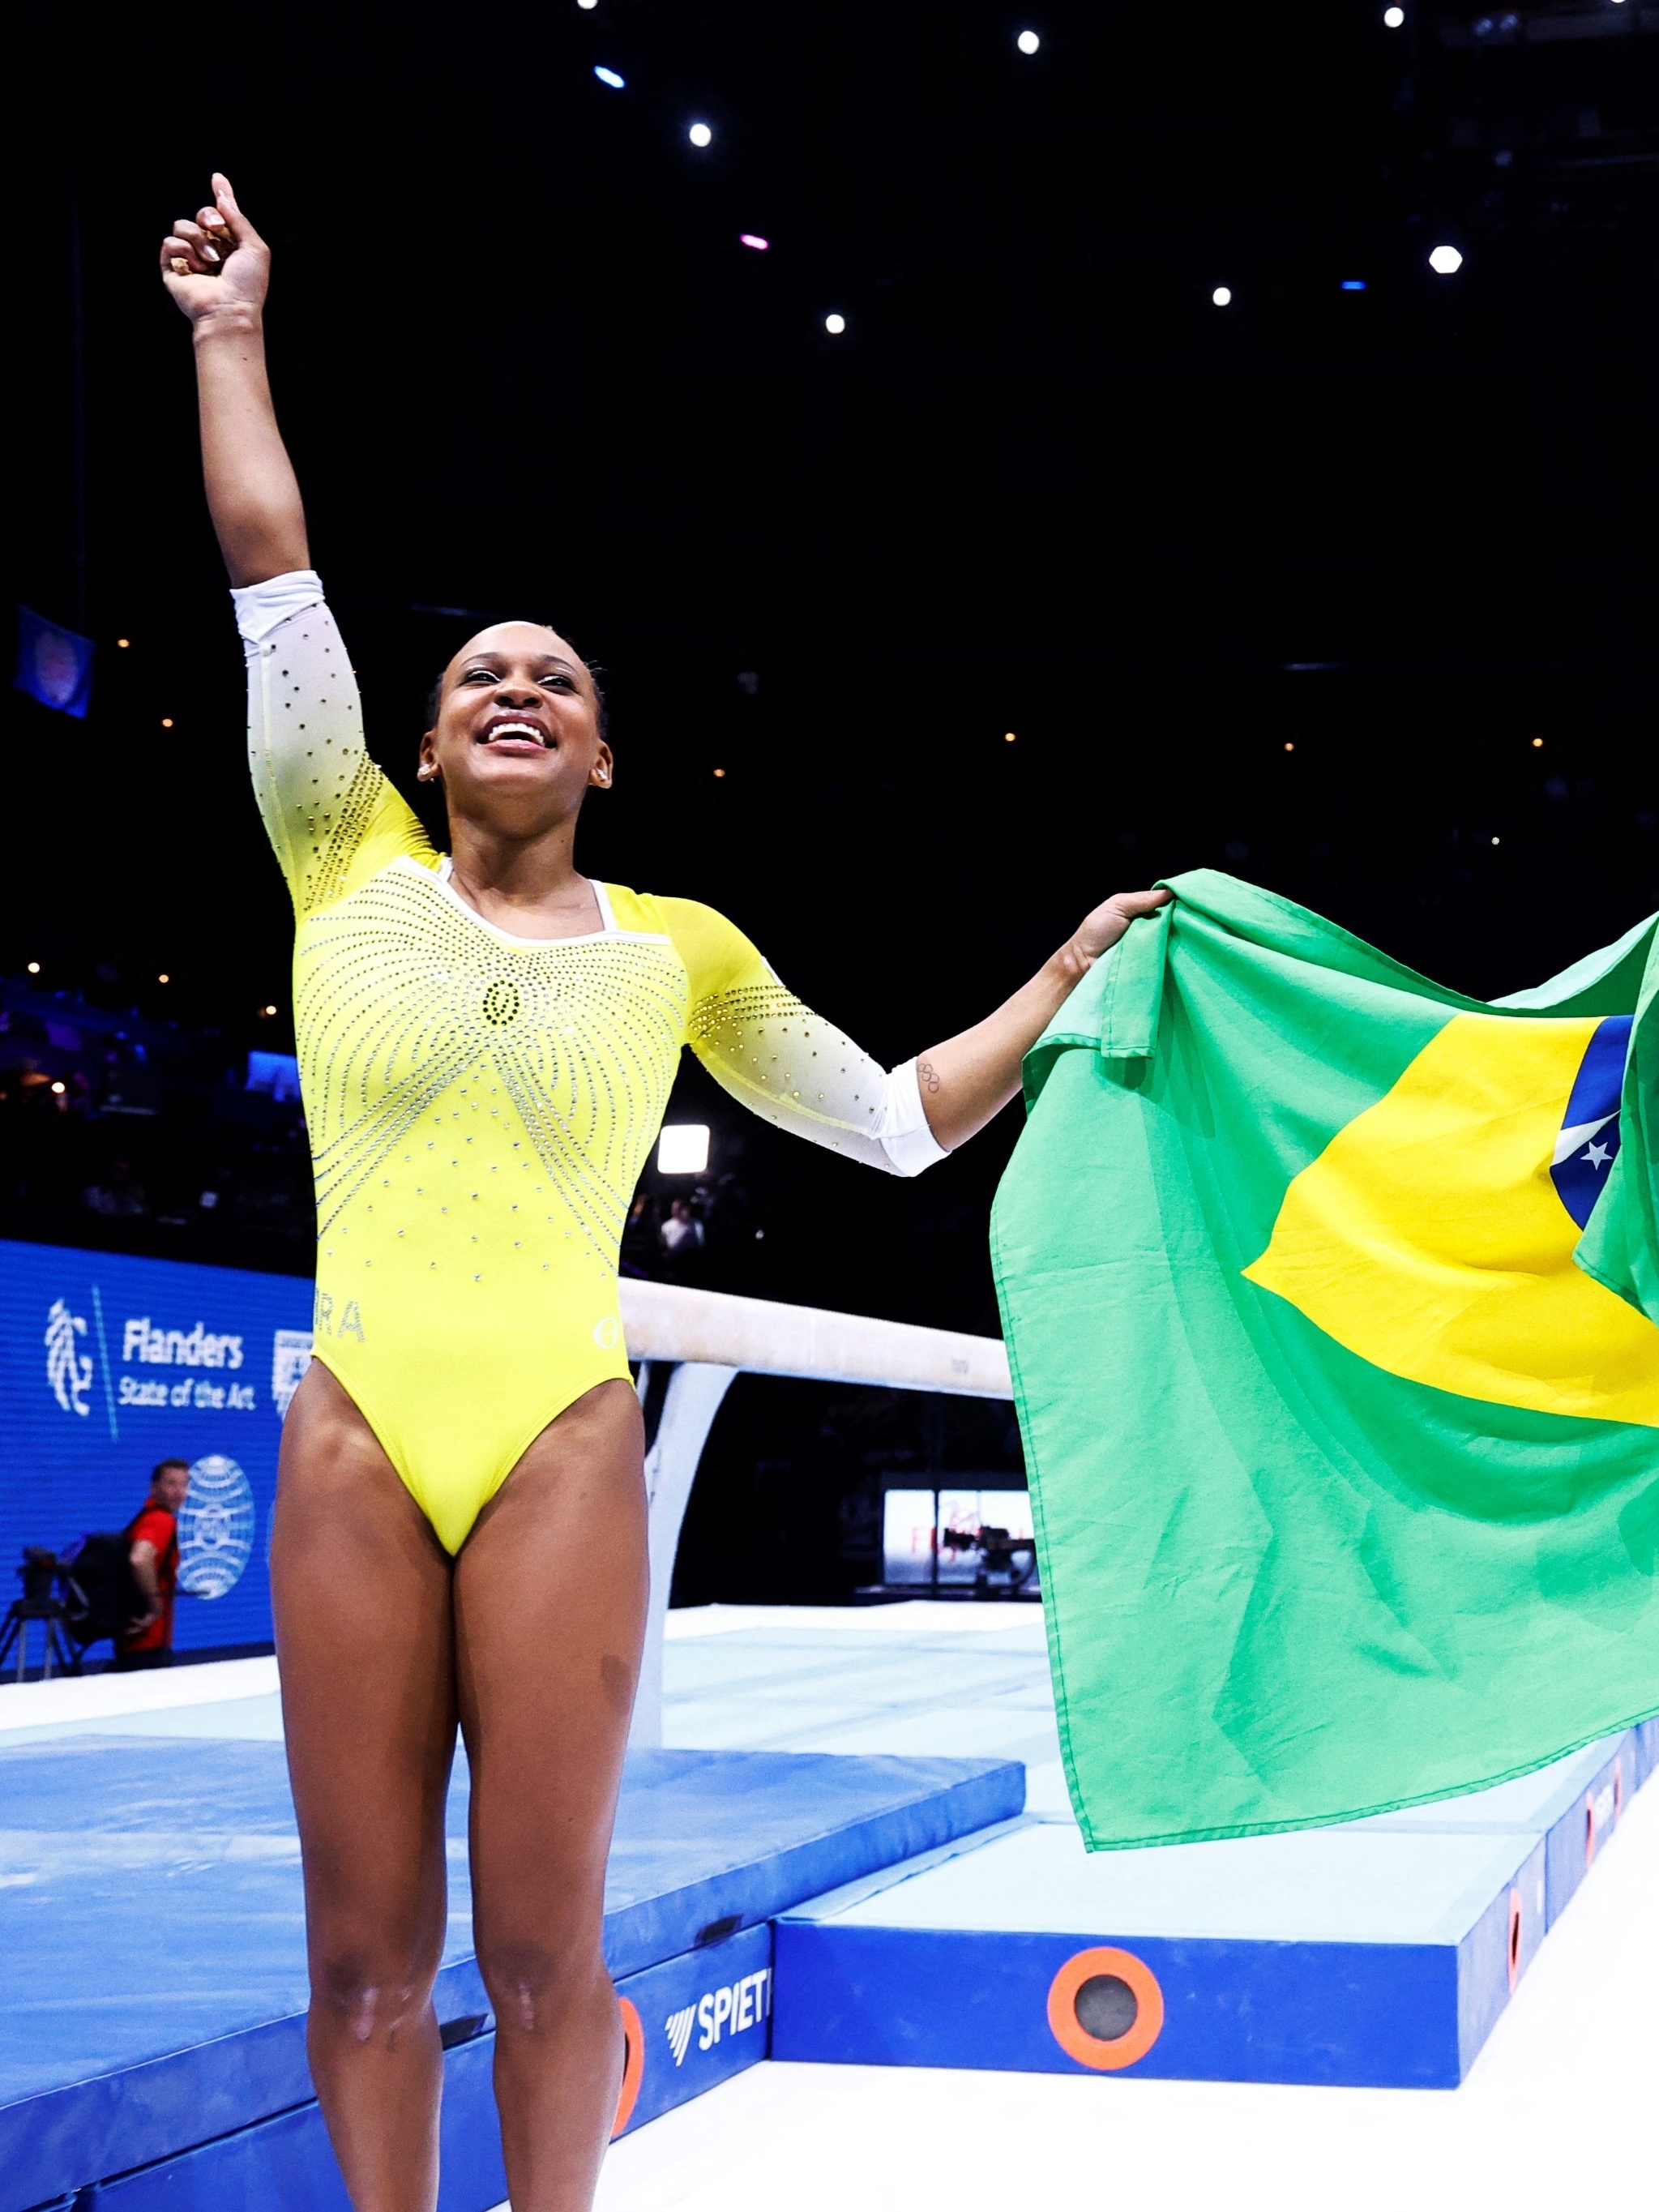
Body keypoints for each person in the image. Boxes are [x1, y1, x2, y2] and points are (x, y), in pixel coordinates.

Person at [159, 172, 1169, 2212]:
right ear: (422, 744)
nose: (513, 684)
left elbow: (890, 1121)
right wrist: (226, 332)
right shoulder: (331, 851)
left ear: (604, 753)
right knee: (359, 1955)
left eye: (555, 677)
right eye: (474, 677)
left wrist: (1057, 982)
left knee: (540, 1947)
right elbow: (273, 566)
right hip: (357, 1432)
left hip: (553, 1441)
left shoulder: (677, 949)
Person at [114, 1457, 188, 1671]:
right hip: (149, 1644)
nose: (179, 1492)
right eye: (171, 1484)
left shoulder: (144, 1517)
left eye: (184, 1484)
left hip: (133, 1643)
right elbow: (139, 1558)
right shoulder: (160, 1520)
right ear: (153, 1487)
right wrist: (155, 1606)